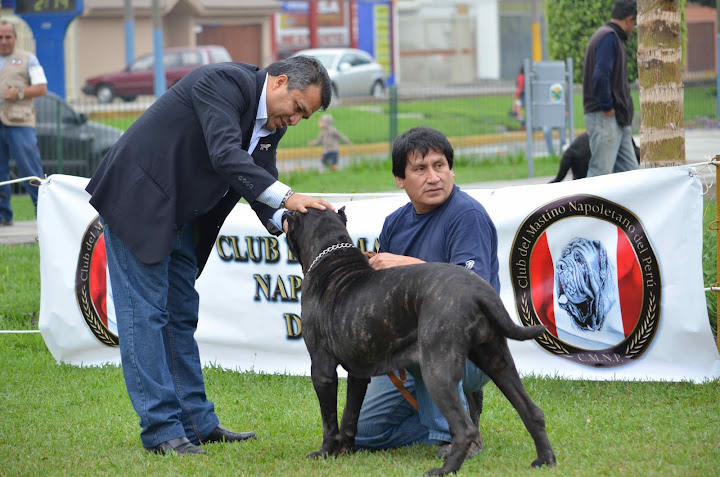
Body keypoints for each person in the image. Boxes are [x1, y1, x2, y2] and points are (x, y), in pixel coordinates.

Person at [85, 55, 334, 455]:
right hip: (140, 202)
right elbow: (225, 155)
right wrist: (289, 195)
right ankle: (162, 430)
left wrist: (289, 218)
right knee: (145, 317)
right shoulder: (221, 82)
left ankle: (197, 423)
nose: (296, 120)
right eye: (298, 108)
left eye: (305, 116)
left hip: (183, 217)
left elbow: (258, 179)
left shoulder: (271, 121)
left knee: (180, 315)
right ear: (280, 82)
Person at [354, 126, 500, 457]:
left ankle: (457, 435)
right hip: (408, 349)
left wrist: (407, 266)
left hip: (472, 348)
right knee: (365, 435)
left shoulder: (467, 215)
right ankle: (461, 413)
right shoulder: (394, 223)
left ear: (451, 169)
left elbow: (469, 293)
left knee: (425, 342)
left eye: (440, 165)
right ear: (399, 179)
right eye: (420, 169)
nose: (433, 177)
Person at [582, 0, 637, 177]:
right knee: (600, 175)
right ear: (629, 19)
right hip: (604, 116)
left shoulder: (609, 36)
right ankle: (587, 205)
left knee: (631, 175)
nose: (633, 29)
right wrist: (606, 106)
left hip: (618, 119)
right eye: (635, 23)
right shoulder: (609, 37)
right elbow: (600, 76)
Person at [0, 20, 47, 226]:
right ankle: (3, 214)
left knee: (29, 168)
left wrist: (19, 93)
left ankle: (43, 211)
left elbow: (41, 88)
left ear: (15, 38)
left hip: (20, 122)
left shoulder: (29, 59)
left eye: (8, 37)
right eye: (0, 37)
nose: (4, 41)